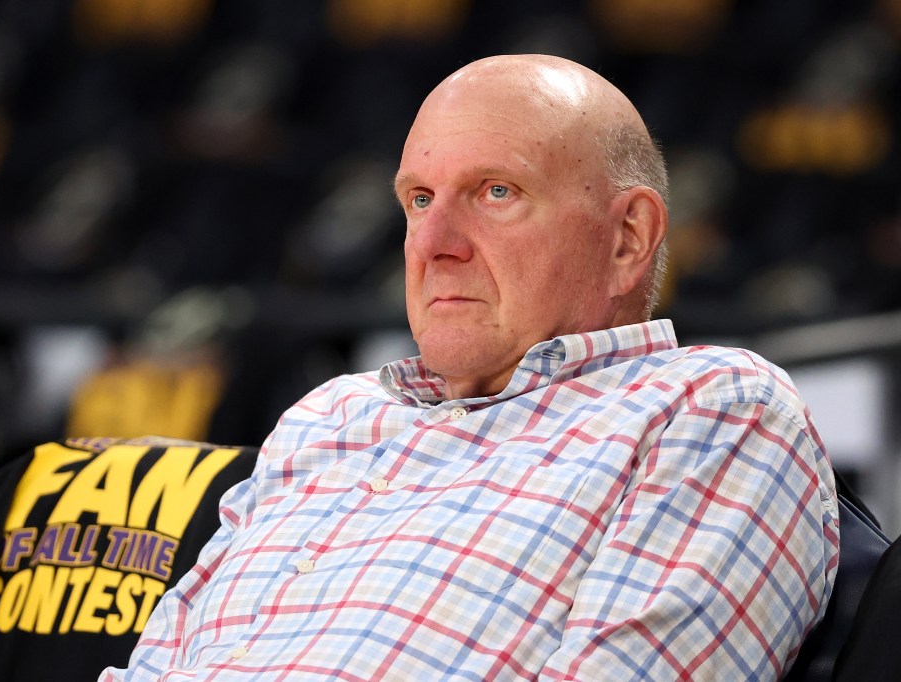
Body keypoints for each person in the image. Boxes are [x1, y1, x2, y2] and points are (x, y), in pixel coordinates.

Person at [101, 54, 839, 680]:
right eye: (420, 200)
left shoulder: (712, 408)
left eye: (496, 192)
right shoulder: (329, 417)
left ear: (627, 238)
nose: (433, 244)